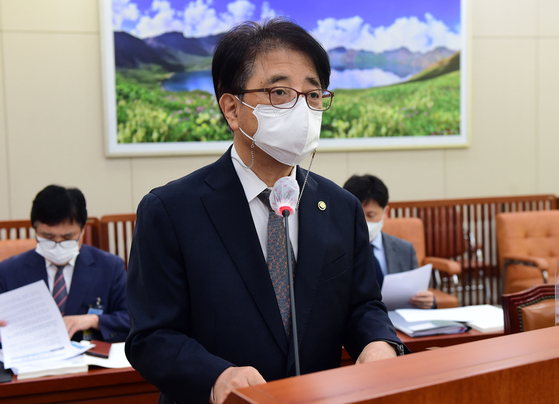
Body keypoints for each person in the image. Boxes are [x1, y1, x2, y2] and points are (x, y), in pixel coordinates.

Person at [125, 19, 406, 404]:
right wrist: (216, 376)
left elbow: (362, 306)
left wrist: (379, 343)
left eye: (312, 94)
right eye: (279, 92)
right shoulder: (170, 211)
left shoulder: (341, 207)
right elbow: (151, 337)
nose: (302, 109)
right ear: (232, 109)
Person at [0, 185, 129, 342]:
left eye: (67, 238)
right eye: (48, 237)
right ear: (35, 229)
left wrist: (94, 320)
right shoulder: (9, 271)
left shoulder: (110, 267)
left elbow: (132, 318)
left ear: (82, 231)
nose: (57, 244)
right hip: (31, 360)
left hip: (91, 360)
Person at [343, 174, 436, 309]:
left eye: (370, 215)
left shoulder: (404, 249)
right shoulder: (335, 250)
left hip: (398, 321)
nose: (363, 222)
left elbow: (419, 294)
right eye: (357, 215)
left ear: (385, 212)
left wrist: (428, 301)